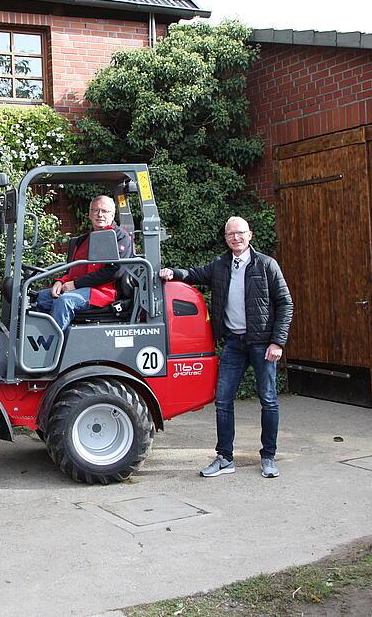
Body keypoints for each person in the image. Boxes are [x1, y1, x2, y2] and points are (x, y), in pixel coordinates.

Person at [160, 216, 292, 479]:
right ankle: (224, 458)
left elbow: (285, 304)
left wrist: (278, 341)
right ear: (226, 238)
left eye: (240, 233)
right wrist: (173, 273)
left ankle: (268, 457)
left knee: (268, 401)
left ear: (250, 235)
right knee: (223, 401)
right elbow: (195, 274)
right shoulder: (221, 265)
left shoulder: (266, 265)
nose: (236, 238)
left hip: (263, 343)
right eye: (231, 234)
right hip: (233, 342)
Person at [35, 195, 133, 331]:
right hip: (80, 289)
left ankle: (49, 346)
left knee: (65, 301)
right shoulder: (83, 240)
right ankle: (39, 337)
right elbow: (73, 269)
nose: (100, 215)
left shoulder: (120, 237)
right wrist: (60, 281)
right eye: (95, 210)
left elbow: (115, 271)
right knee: (41, 298)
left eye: (104, 211)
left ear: (112, 214)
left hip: (102, 292)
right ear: (89, 215)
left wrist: (75, 284)